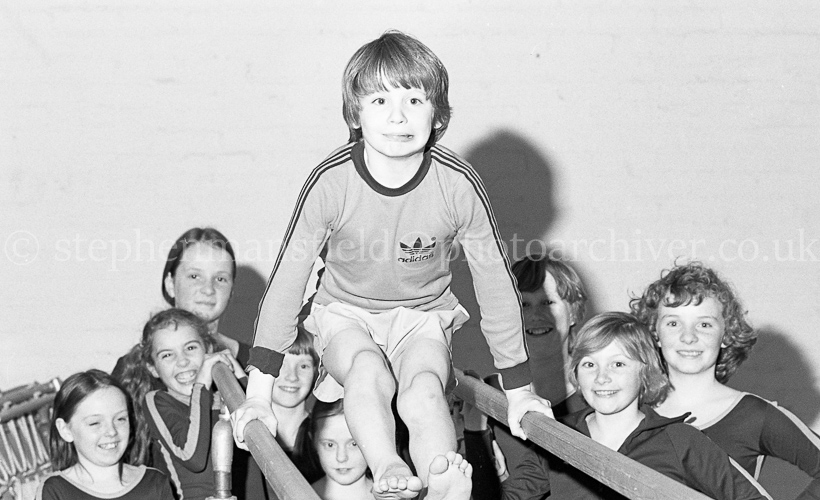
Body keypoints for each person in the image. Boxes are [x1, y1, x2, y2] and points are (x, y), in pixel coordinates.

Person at [232, 30, 551, 500]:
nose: (398, 116)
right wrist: (259, 393)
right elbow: (286, 284)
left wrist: (519, 388)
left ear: (437, 113)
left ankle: (441, 476)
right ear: (354, 114)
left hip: (423, 316)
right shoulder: (331, 182)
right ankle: (386, 467)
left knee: (423, 387)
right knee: (365, 370)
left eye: (414, 99)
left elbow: (497, 287)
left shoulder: (457, 185)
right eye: (379, 100)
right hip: (346, 313)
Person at [631, 262, 820, 498]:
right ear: (654, 333)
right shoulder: (630, 408)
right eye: (673, 323)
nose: (688, 337)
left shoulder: (755, 415)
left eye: (704, 324)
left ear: (726, 334)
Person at [563, 312, 771, 500]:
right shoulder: (554, 433)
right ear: (576, 372)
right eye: (589, 364)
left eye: (618, 364)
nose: (602, 378)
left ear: (645, 371)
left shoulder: (679, 440)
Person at [462, 254, 589, 500]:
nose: (535, 316)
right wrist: (475, 432)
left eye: (548, 303)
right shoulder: (482, 396)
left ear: (574, 311)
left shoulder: (601, 397)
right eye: (524, 305)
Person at [120, 308, 246, 500]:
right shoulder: (158, 401)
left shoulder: (222, 399)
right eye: (167, 355)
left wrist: (237, 374)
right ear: (153, 368)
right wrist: (201, 385)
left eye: (190, 348)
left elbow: (258, 428)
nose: (183, 361)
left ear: (208, 351)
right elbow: (192, 457)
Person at [37, 370, 174, 500]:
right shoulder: (55, 491)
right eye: (95, 423)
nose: (111, 431)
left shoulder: (154, 483)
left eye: (120, 419)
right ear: (65, 430)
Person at [269, 326, 324, 485]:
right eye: (281, 365)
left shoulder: (324, 435)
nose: (292, 377)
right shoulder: (245, 433)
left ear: (315, 372)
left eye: (303, 366)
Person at [307, 399, 376, 500]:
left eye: (353, 444)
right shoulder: (297, 495)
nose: (341, 457)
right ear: (314, 442)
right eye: (330, 445)